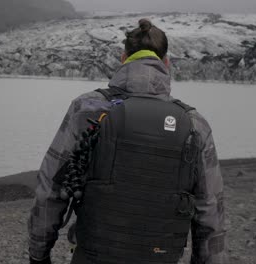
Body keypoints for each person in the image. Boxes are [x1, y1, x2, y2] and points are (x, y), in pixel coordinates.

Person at [28, 18, 226, 264]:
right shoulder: (194, 124)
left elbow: (51, 188)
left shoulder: (87, 108)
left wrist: (39, 254)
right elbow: (210, 211)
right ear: (166, 63)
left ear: (123, 59)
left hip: (93, 255)